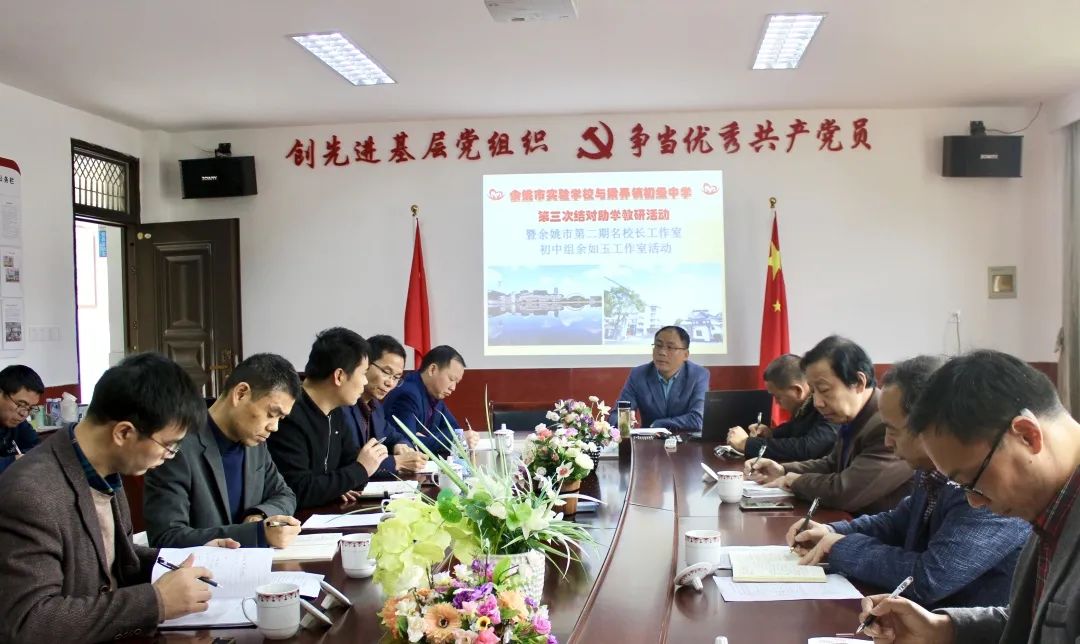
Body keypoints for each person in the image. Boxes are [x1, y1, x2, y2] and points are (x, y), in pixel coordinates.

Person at [0, 353, 238, 642]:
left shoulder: (103, 469)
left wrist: (189, 557)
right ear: (124, 432)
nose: (170, 456)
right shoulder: (31, 493)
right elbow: (28, 622)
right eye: (169, 445)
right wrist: (156, 602)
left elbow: (113, 559)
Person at [858, 350, 1080, 642]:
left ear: (1027, 435)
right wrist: (943, 629)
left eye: (971, 481)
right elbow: (1038, 622)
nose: (974, 502)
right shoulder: (1049, 503)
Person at [787, 355, 1029, 608]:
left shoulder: (984, 483)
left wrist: (842, 547)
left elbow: (929, 579)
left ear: (934, 426)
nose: (887, 441)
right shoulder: (930, 471)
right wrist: (832, 532)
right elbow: (898, 521)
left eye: (893, 430)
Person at [145, 353, 303, 547]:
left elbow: (285, 495)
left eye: (280, 418)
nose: (274, 427)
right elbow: (166, 537)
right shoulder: (177, 446)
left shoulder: (255, 444)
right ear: (241, 394)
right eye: (271, 414)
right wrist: (255, 534)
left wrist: (260, 515)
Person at [746, 335, 912, 515]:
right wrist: (783, 470)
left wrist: (794, 481)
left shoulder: (887, 424)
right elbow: (832, 464)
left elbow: (846, 492)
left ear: (858, 382)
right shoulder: (854, 415)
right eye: (813, 391)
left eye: (824, 390)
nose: (817, 402)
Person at [267, 328, 388, 509]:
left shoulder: (336, 411)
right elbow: (298, 491)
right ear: (339, 376)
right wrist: (360, 469)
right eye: (363, 373)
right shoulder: (288, 414)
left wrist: (346, 478)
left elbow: (350, 468)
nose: (365, 382)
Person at [341, 334, 427, 476]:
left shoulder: (375, 406)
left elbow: (394, 436)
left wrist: (401, 445)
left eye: (396, 377)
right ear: (365, 364)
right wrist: (395, 462)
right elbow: (347, 460)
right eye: (387, 372)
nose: (390, 383)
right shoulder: (342, 405)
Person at [726, 353, 838, 461]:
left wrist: (746, 444)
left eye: (778, 397)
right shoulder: (806, 404)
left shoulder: (829, 405)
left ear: (797, 390)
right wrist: (771, 433)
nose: (776, 403)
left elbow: (808, 448)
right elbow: (796, 429)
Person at [382, 344, 478, 456]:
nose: (453, 387)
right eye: (451, 379)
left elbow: (454, 429)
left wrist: (428, 437)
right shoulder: (408, 395)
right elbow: (408, 444)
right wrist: (454, 439)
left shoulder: (435, 394)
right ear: (432, 370)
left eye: (456, 382)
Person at [611, 325, 710, 431]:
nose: (662, 352)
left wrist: (658, 424)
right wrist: (624, 421)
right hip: (649, 440)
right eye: (658, 345)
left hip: (685, 439)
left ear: (685, 355)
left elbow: (698, 419)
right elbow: (614, 416)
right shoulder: (639, 375)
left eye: (670, 347)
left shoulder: (698, 375)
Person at [0, 364, 44, 474]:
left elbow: (39, 449)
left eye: (30, 408)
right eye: (21, 404)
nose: (24, 413)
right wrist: (12, 461)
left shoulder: (18, 423)